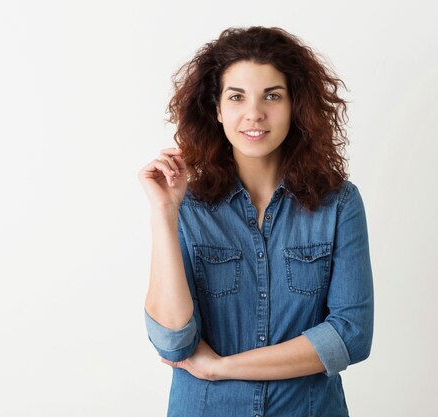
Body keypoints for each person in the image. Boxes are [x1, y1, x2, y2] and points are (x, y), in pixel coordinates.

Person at [138, 26, 374, 417]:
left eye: (272, 96)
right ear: (216, 109)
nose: (254, 113)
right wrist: (164, 214)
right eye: (237, 97)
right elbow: (172, 341)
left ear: (295, 104)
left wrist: (220, 368)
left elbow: (350, 336)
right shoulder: (187, 206)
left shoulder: (339, 203)